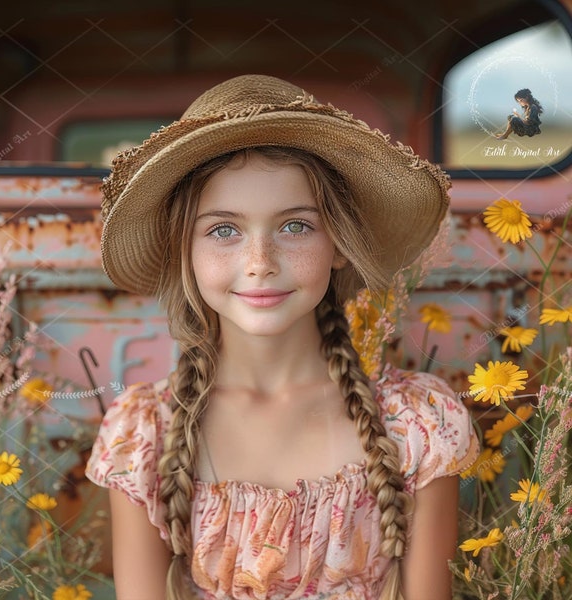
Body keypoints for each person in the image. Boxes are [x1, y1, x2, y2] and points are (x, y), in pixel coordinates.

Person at [86, 74, 479, 600]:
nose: (260, 264)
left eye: (295, 226)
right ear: (186, 251)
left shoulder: (417, 424)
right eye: (223, 229)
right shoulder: (144, 435)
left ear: (338, 242)